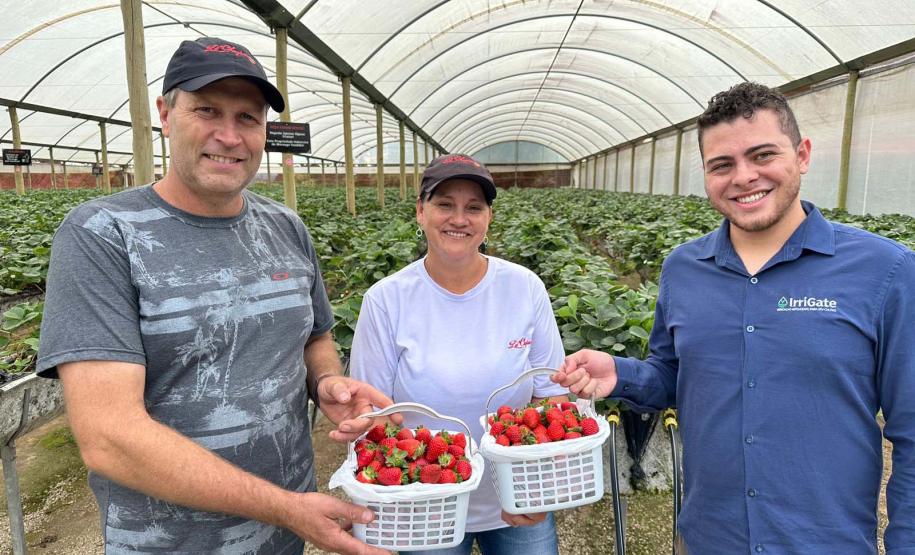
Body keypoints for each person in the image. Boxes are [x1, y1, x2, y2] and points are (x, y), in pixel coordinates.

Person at [36, 37, 396, 555]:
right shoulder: (103, 234)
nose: (229, 136)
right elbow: (109, 437)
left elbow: (314, 336)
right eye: (207, 110)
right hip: (170, 544)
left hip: (284, 537)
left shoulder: (286, 227)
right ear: (165, 115)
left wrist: (326, 383)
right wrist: (285, 507)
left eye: (248, 117)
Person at [554, 82, 915, 554]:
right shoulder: (683, 269)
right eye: (721, 164)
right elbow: (673, 375)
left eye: (763, 155)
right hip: (708, 538)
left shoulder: (885, 271)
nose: (744, 177)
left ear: (802, 155)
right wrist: (620, 374)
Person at [349, 154, 569, 555]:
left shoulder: (524, 288)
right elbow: (371, 415)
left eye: (474, 207)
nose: (459, 219)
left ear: (488, 218)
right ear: (420, 211)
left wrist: (542, 489)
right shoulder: (386, 299)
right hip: (425, 500)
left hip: (516, 496)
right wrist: (375, 498)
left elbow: (551, 395)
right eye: (445, 204)